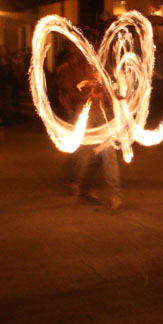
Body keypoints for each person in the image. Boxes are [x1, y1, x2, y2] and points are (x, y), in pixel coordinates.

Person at [55, 45, 122, 210]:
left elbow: (106, 84)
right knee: (84, 153)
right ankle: (76, 183)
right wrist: (85, 95)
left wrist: (110, 94)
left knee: (104, 154)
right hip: (84, 112)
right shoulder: (68, 67)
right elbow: (67, 89)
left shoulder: (93, 64)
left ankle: (111, 194)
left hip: (103, 113)